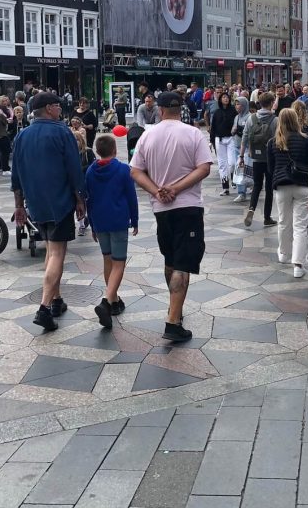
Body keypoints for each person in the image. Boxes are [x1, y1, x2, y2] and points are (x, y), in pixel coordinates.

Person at [130, 92, 213, 342]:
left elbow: (135, 171)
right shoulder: (193, 133)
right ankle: (173, 322)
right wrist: (177, 189)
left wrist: (157, 190)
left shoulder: (148, 135)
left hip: (161, 209)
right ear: (181, 109)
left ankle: (173, 306)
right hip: (188, 206)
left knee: (170, 259)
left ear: (160, 110)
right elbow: (204, 167)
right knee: (182, 263)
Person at [11, 93, 87, 331]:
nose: (60, 109)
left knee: (50, 249)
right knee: (57, 252)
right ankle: (44, 308)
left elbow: (16, 175)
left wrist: (19, 205)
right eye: (57, 106)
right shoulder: (61, 131)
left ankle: (56, 299)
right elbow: (74, 169)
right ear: (48, 109)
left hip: (35, 202)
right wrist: (80, 199)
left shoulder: (22, 136)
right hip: (60, 201)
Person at [86, 133, 138, 328]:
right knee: (119, 263)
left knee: (108, 260)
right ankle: (107, 301)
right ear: (115, 150)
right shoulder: (124, 169)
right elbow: (131, 196)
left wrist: (91, 223)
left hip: (99, 221)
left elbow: (89, 199)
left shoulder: (91, 171)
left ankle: (114, 299)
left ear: (97, 151)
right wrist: (135, 219)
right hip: (118, 220)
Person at [267, 108, 308, 278]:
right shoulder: (305, 140)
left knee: (283, 222)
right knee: (300, 225)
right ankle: (298, 264)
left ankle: (284, 254)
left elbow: (270, 168)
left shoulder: (274, 142)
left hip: (282, 185)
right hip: (302, 185)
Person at [239, 92, 278, 228]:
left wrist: (241, 156)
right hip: (270, 159)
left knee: (257, 185)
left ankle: (251, 209)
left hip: (255, 157)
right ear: (272, 103)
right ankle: (267, 217)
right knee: (268, 188)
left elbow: (244, 137)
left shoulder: (251, 118)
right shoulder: (275, 119)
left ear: (259, 103)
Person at [209, 91, 236, 196]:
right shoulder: (217, 112)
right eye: (223, 97)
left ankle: (234, 179)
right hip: (219, 139)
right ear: (220, 99)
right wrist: (211, 141)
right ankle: (225, 187)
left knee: (232, 162)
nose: (225, 99)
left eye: (227, 97)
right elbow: (213, 127)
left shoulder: (233, 111)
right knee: (222, 164)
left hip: (231, 138)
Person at [231, 96, 251, 203]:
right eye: (235, 104)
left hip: (246, 148)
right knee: (239, 169)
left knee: (245, 170)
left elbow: (250, 134)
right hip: (236, 146)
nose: (236, 106)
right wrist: (233, 130)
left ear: (244, 105)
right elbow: (233, 130)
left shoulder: (249, 117)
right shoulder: (236, 117)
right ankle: (241, 192)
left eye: (238, 104)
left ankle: (250, 187)